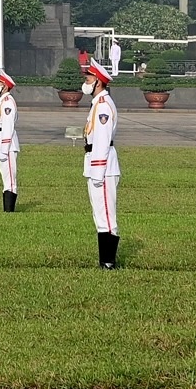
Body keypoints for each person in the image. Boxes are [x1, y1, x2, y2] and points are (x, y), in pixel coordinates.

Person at [82, 58, 120, 268]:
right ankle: (105, 260)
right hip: (96, 165)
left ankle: (108, 262)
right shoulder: (97, 104)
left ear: (98, 81)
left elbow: (103, 141)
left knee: (106, 214)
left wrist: (97, 171)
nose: (85, 81)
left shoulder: (103, 106)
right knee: (100, 214)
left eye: (88, 77)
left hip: (103, 168)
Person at [0, 70, 19, 212]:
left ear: (6, 87)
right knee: (5, 178)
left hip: (7, 145)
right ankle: (7, 208)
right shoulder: (2, 102)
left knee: (9, 180)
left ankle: (9, 210)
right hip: (1, 141)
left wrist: (4, 148)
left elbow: (8, 127)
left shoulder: (7, 103)